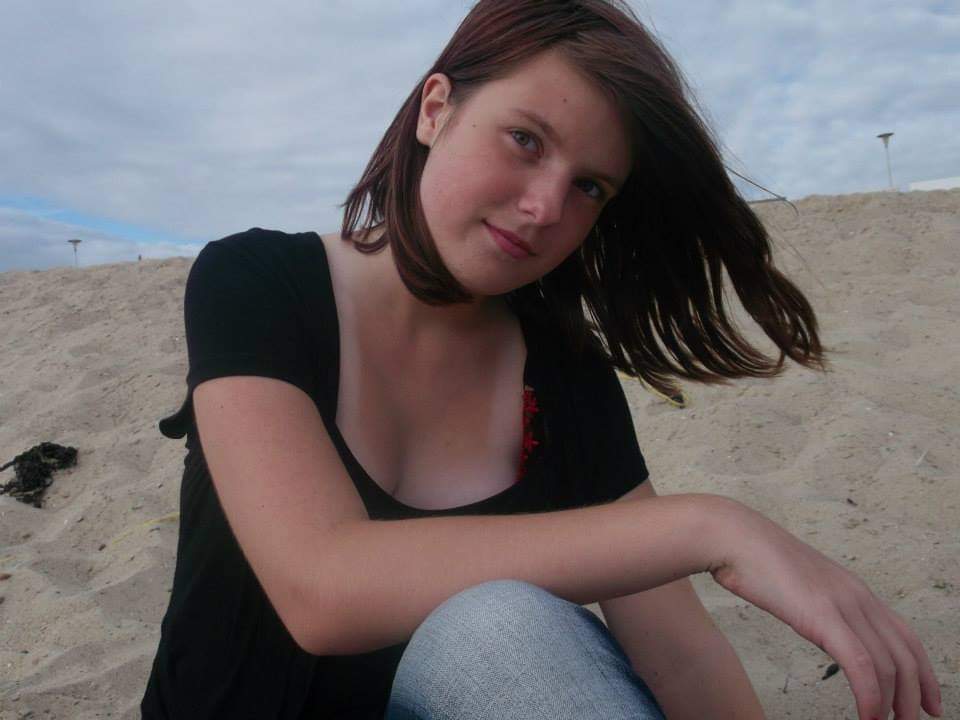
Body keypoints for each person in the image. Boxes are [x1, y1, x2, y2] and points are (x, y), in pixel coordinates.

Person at [141, 1, 943, 718]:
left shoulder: (560, 371)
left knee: (503, 633)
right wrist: (715, 526)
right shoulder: (258, 284)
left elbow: (676, 652)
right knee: (498, 622)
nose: (545, 207)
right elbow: (321, 588)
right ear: (435, 110)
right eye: (525, 140)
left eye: (589, 186)